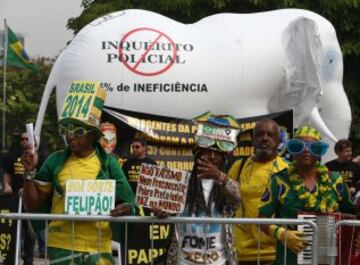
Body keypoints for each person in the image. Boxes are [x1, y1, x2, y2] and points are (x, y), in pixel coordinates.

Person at [22, 85, 136, 265]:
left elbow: (130, 202)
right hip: (61, 246)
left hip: (98, 247)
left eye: (79, 131)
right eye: (67, 129)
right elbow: (33, 204)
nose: (71, 136)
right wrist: (28, 173)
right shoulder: (55, 161)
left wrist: (126, 208)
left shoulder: (109, 163)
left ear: (93, 135)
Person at [259, 126, 356, 265]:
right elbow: (262, 220)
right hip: (289, 258)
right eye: (299, 146)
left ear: (319, 152)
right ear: (292, 150)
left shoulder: (335, 181)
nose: (306, 151)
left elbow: (352, 212)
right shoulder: (279, 181)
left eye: (314, 147)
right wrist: (282, 234)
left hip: (327, 257)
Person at [154, 112, 242, 265]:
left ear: (224, 159)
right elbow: (166, 210)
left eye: (218, 153)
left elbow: (238, 197)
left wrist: (219, 176)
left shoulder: (224, 185)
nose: (212, 157)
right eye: (208, 151)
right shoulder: (181, 182)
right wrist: (161, 211)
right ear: (197, 155)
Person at [227, 118, 287, 265]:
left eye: (270, 135)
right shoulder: (239, 166)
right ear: (253, 140)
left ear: (279, 141)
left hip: (275, 253)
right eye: (260, 134)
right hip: (242, 253)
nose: (265, 138)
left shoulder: (287, 170)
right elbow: (225, 202)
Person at [119, 138, 172, 265]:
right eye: (133, 147)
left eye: (137, 147)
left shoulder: (152, 163)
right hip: (132, 205)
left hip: (148, 206)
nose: (134, 150)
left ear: (144, 148)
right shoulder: (127, 164)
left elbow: (158, 185)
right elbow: (122, 183)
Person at [2, 132, 40, 265]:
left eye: (26, 139)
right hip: (14, 199)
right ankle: (12, 258)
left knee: (30, 232)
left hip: (29, 200)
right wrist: (6, 185)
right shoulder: (14, 156)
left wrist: (28, 188)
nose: (24, 141)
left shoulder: (38, 156)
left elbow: (41, 176)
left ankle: (28, 260)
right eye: (22, 139)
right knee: (12, 230)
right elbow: (8, 173)